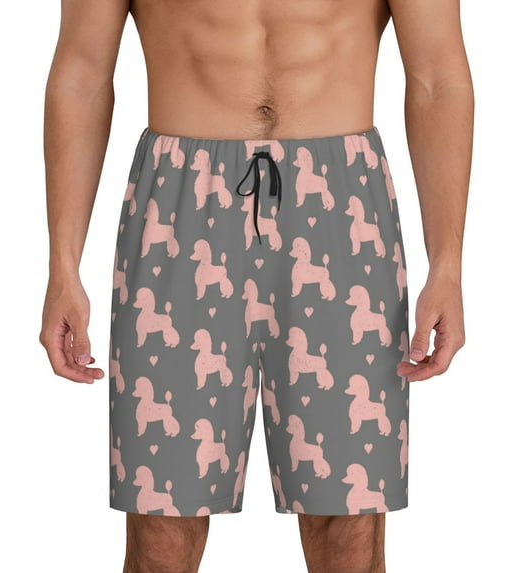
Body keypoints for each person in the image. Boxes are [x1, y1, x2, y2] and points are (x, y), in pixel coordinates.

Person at [39, 0, 472, 571]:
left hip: (340, 202)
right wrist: (63, 266)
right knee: (161, 533)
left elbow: (438, 77)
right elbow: (82, 74)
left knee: (348, 530)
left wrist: (447, 267)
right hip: (180, 203)